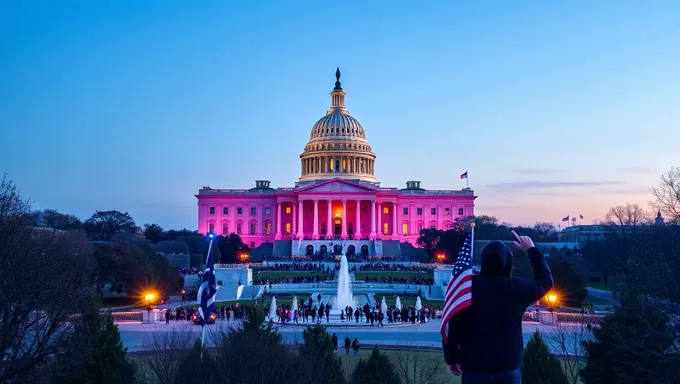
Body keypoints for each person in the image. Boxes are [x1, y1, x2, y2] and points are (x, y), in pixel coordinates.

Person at [444, 231, 553, 384]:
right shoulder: (516, 288)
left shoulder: (467, 287)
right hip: (507, 366)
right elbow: (545, 281)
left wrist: (451, 358)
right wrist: (531, 250)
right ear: (508, 263)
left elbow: (453, 324)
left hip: (474, 366)